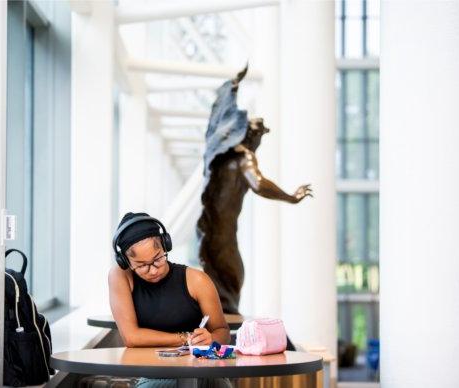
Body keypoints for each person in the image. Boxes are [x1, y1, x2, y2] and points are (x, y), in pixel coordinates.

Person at [197, 67, 313, 314]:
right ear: (252, 136)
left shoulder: (221, 156)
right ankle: (224, 317)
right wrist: (291, 197)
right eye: (260, 135)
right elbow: (259, 183)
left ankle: (221, 313)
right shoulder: (244, 158)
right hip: (223, 234)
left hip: (212, 230)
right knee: (233, 276)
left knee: (226, 278)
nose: (260, 141)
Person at [108, 212, 232, 387]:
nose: (152, 270)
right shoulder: (121, 276)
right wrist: (186, 338)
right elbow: (131, 337)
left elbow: (222, 331)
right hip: (153, 376)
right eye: (142, 266)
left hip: (203, 370)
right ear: (125, 262)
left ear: (166, 245)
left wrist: (211, 340)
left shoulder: (197, 280)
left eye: (158, 258)